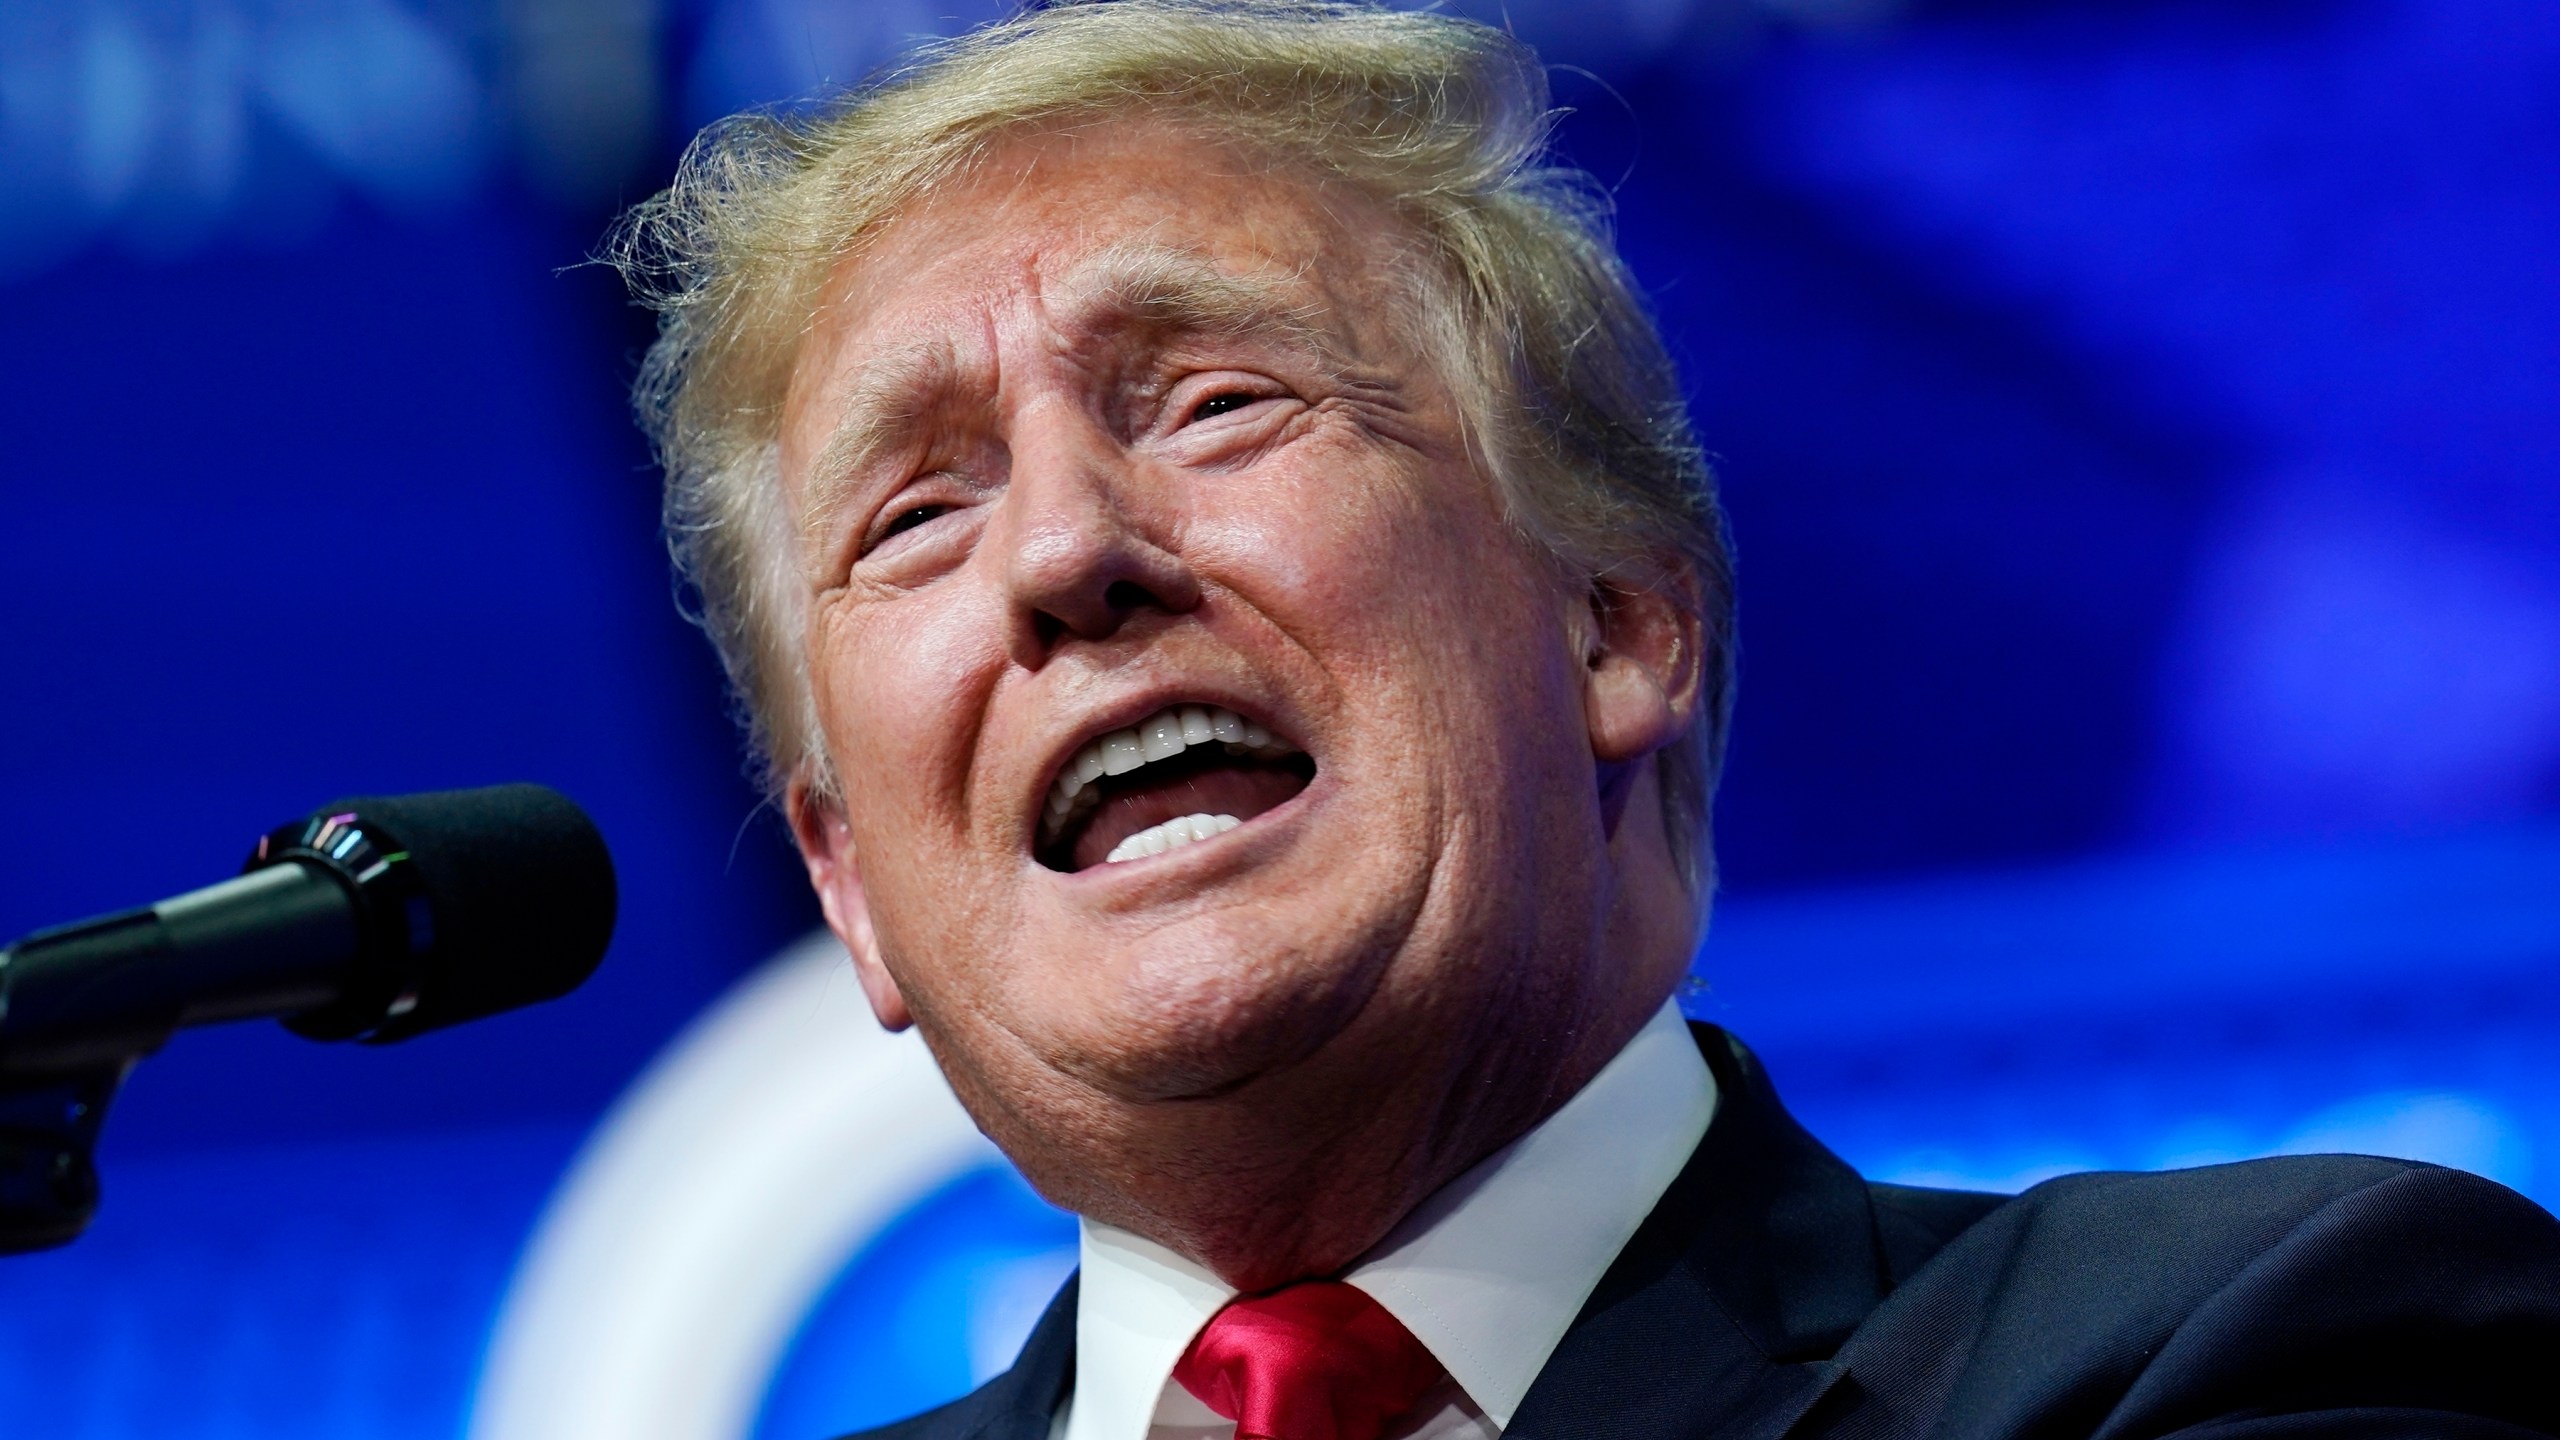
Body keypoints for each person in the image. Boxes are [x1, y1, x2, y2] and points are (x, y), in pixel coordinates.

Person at [608, 3, 2560, 1436]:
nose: (1060, 552)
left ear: (1614, 629)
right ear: (849, 882)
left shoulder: (2259, 1349)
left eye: (1211, 402)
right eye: (916, 510)